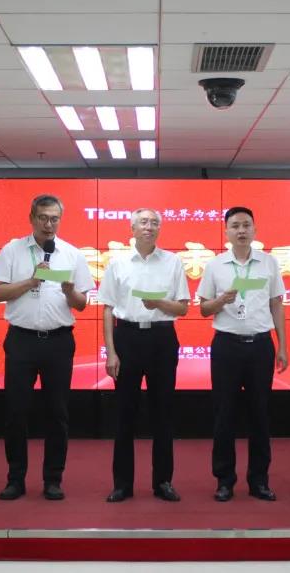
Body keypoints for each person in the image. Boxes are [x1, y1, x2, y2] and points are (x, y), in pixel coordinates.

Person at [0, 194, 95, 501]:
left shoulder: (72, 254)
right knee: (15, 412)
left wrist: (70, 290)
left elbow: (82, 304)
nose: (49, 224)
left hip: (59, 341)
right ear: (32, 218)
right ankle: (15, 479)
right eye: (43, 218)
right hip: (21, 340)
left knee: (57, 413)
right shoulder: (12, 250)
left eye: (54, 219)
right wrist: (30, 281)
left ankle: (53, 479)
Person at [199, 206, 288, 502]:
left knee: (260, 414)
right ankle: (224, 480)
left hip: (261, 345)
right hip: (227, 345)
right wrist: (221, 300)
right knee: (224, 414)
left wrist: (282, 345)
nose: (241, 230)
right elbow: (204, 309)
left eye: (246, 225)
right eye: (235, 225)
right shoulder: (215, 265)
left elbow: (277, 304)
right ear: (226, 231)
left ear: (254, 229)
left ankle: (259, 480)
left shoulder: (269, 262)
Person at [101, 208, 190, 503]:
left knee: (163, 413)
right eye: (143, 222)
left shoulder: (173, 261)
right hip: (127, 338)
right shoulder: (117, 263)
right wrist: (111, 352)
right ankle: (122, 484)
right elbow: (108, 309)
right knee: (124, 414)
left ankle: (163, 481)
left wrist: (159, 303)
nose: (149, 227)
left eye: (154, 223)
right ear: (132, 228)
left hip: (162, 339)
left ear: (159, 229)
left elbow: (182, 308)